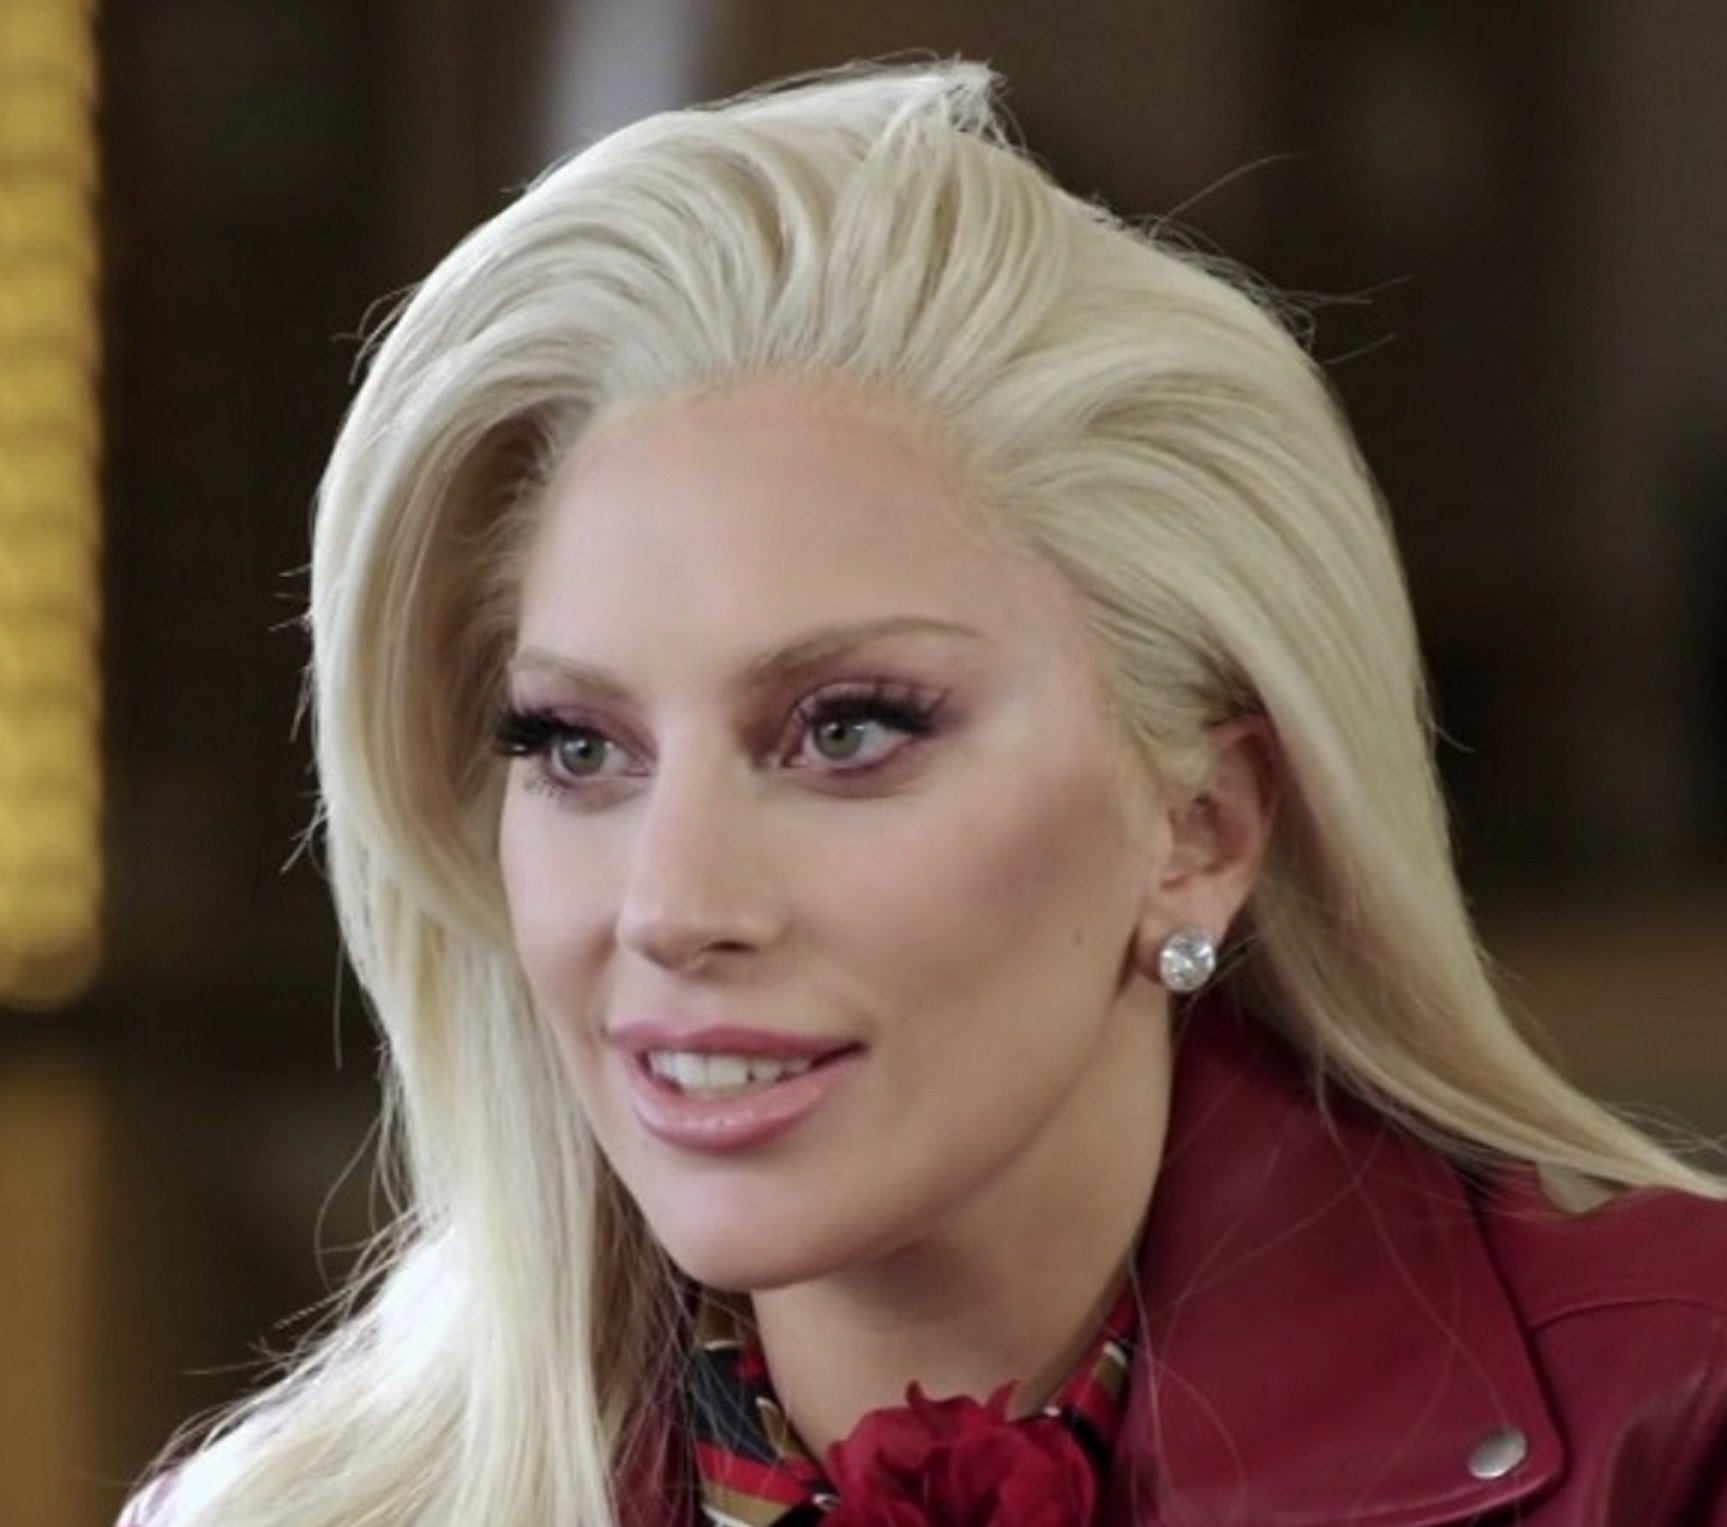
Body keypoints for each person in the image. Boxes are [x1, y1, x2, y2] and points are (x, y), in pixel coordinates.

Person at [122, 61, 1727, 1527]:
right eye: (576, 747)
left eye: (847, 731)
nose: (674, 907)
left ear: (1203, 828)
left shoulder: (1684, 1429)